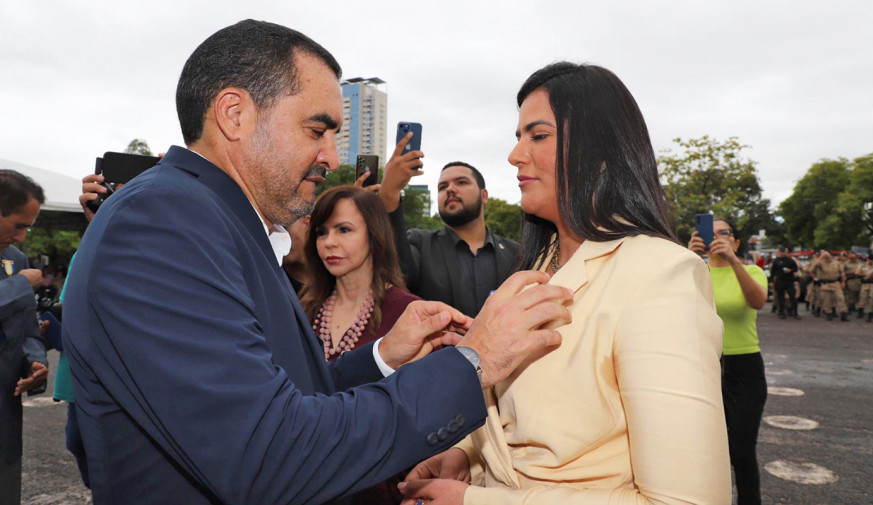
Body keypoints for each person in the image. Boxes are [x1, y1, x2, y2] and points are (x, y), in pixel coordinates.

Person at [61, 20, 571, 505]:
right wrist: (472, 362)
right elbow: (269, 457)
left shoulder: (224, 222)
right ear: (234, 114)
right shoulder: (162, 221)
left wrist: (384, 356)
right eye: (316, 129)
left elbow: (288, 397)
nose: (331, 156)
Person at [400, 62, 729, 505]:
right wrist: (467, 453)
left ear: (601, 149)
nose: (515, 155)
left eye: (537, 136)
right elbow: (514, 415)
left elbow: (686, 500)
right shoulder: (536, 267)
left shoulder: (660, 275)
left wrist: (473, 501)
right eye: (517, 138)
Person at [301, 186, 422, 504]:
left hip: (383, 486)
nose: (329, 242)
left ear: (375, 234)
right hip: (308, 482)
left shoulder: (409, 314)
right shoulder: (302, 310)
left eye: (344, 229)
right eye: (322, 232)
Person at [379, 148, 518, 317]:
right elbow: (395, 270)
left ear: (484, 196)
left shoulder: (516, 254)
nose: (450, 189)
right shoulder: (420, 245)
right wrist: (389, 194)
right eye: (442, 187)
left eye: (461, 182)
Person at [688, 218, 768, 505]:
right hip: (703, 366)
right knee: (705, 450)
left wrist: (734, 262)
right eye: (711, 232)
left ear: (735, 242)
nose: (718, 237)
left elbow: (758, 301)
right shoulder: (693, 271)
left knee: (742, 451)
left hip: (745, 368)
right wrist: (690, 258)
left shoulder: (752, 270)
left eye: (726, 233)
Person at [0, 169, 49, 505]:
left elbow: (27, 324)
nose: (21, 238)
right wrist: (20, 286)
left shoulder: (15, 260)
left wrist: (36, 360)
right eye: (18, 225)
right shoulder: (22, 276)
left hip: (5, 421)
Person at [809, 251, 849, 321]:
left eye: (828, 255)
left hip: (835, 283)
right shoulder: (820, 263)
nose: (827, 257)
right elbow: (811, 269)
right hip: (825, 284)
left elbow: (842, 274)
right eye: (825, 256)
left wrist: (843, 282)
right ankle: (829, 313)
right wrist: (820, 257)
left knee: (841, 298)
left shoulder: (837, 263)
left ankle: (843, 313)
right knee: (826, 300)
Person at [770, 247, 800, 319]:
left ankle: (795, 312)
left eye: (783, 252)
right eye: (781, 252)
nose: (782, 254)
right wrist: (771, 281)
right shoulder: (776, 261)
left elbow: (795, 268)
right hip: (780, 281)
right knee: (780, 298)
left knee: (793, 297)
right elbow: (772, 272)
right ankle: (781, 313)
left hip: (789, 281)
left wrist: (790, 270)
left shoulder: (790, 260)